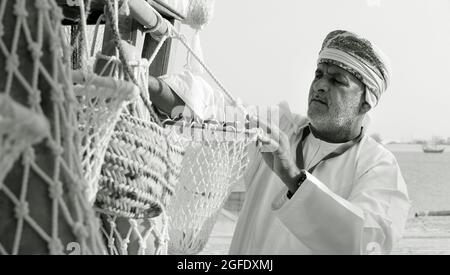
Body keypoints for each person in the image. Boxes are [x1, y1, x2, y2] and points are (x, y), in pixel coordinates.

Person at [228, 30, 411, 255]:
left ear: (365, 103)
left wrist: (293, 177)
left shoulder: (379, 166)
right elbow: (211, 111)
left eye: (336, 80)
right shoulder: (279, 127)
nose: (320, 85)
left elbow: (368, 245)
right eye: (318, 75)